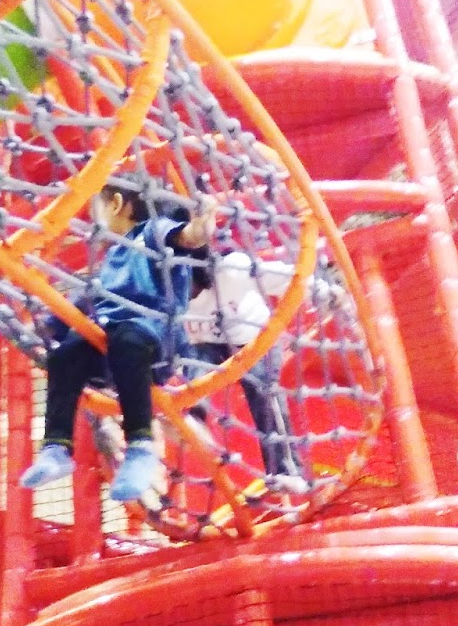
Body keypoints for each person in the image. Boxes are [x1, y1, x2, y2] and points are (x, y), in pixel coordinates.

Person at [20, 183, 213, 503]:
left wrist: (200, 228)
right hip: (110, 345)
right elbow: (87, 299)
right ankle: (56, 448)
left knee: (127, 340)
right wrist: (46, 329)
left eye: (98, 207)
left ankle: (141, 446)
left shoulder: (151, 232)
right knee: (66, 354)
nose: (95, 218)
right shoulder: (113, 257)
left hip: (152, 339)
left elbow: (186, 238)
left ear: (117, 204)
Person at [180, 250, 309, 496]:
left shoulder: (231, 272)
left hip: (255, 339)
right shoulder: (166, 298)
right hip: (208, 343)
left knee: (263, 393)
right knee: (196, 361)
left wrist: (324, 292)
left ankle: (286, 471)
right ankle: (193, 418)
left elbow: (289, 276)